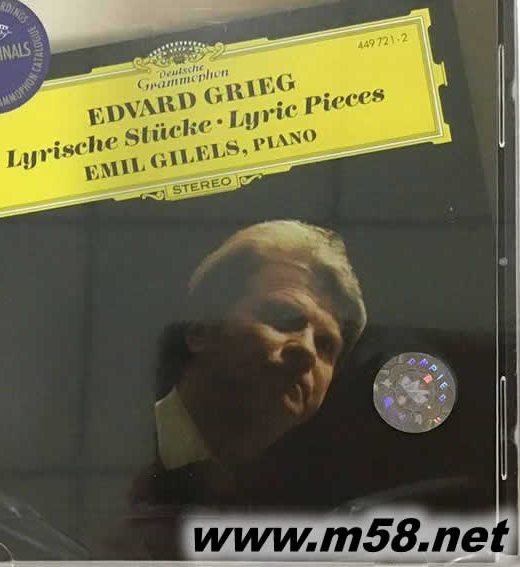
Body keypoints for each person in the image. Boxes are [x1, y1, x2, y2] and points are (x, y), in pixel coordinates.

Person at [123, 220, 367, 558]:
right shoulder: (102, 447)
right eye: (283, 318)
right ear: (201, 329)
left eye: (327, 346)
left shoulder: (302, 516)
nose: (307, 350)